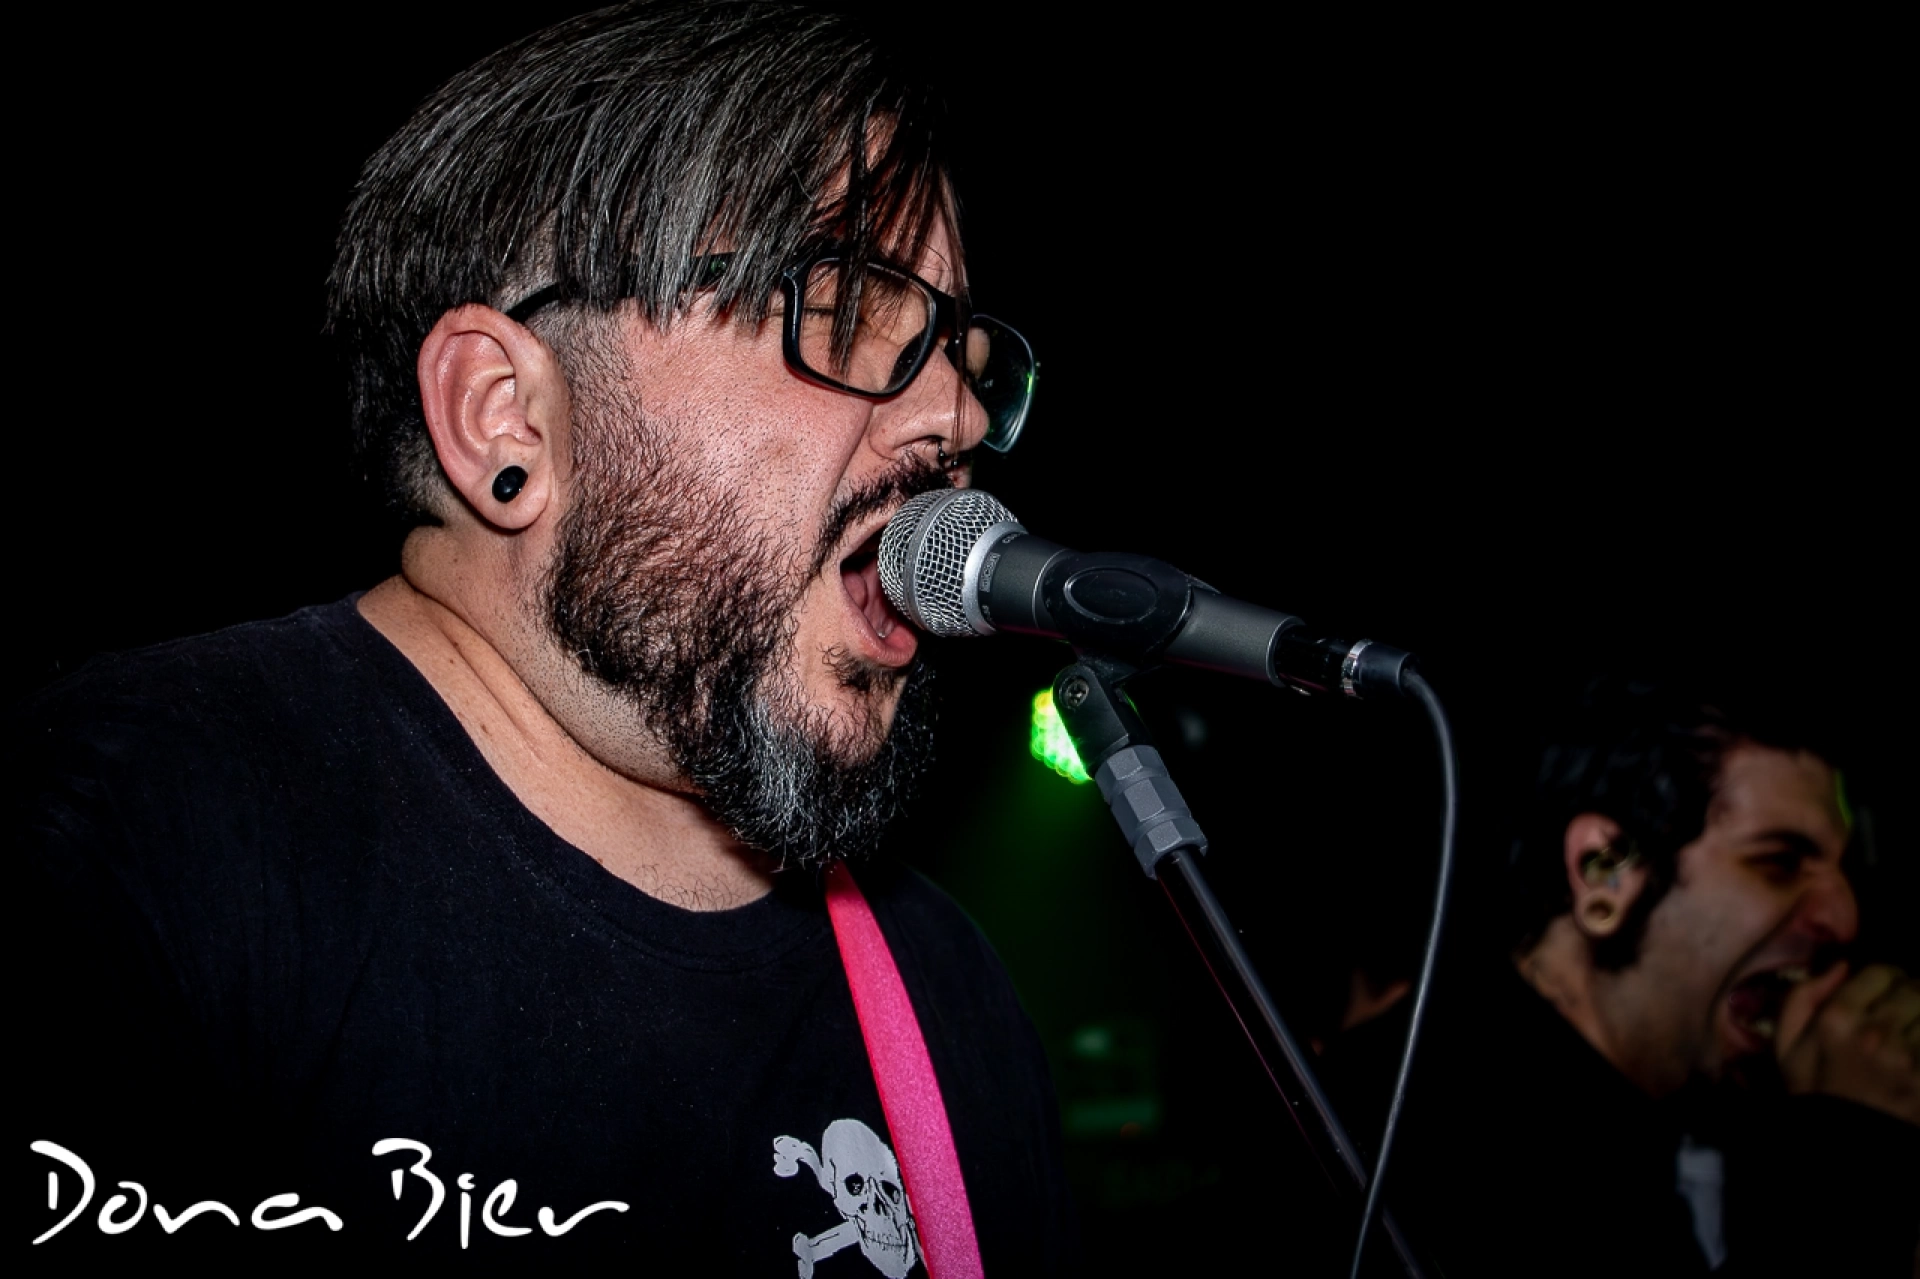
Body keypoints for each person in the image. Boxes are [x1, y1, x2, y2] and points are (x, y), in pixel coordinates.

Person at [19, 3, 1071, 1268]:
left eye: (962, 354)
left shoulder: (949, 1002)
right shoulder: (128, 846)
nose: (956, 415)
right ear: (504, 420)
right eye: (843, 310)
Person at [1325, 679, 1919, 1276]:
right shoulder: (1422, 1131)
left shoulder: (1698, 1127)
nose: (1844, 917)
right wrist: (1850, 1148)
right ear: (1603, 873)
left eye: (1844, 871)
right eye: (1779, 862)